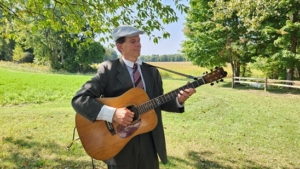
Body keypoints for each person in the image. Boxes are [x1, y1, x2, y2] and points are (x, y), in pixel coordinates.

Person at [71, 25, 196, 169]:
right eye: (132, 41)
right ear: (120, 47)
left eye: (139, 40)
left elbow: (158, 102)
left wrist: (178, 100)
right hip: (119, 143)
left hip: (149, 140)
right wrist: (113, 114)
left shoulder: (152, 72)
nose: (138, 44)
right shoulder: (108, 69)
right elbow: (79, 99)